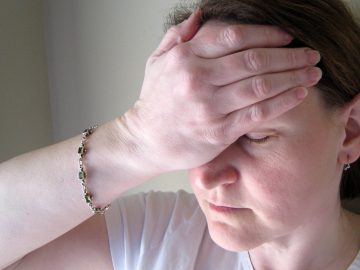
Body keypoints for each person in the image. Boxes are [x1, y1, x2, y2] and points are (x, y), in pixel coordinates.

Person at [1, 0, 360, 269]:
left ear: (350, 131)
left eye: (254, 137)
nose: (205, 174)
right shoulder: (155, 237)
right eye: (196, 135)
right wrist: (135, 138)